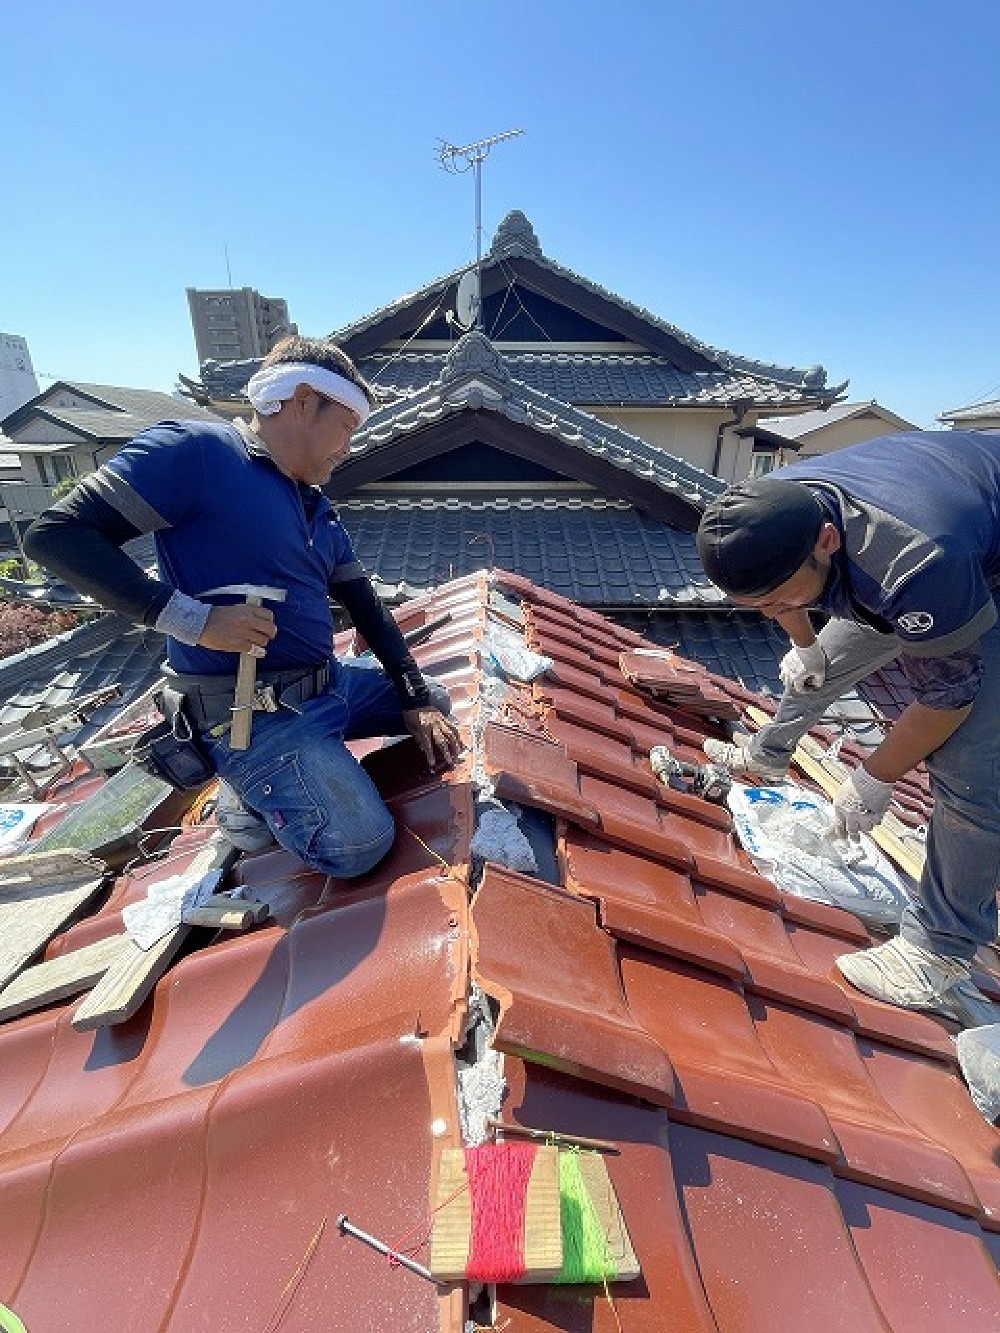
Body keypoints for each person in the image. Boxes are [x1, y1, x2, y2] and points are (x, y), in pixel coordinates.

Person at [25, 336, 462, 877]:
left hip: (327, 684)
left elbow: (364, 605)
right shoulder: (199, 453)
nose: (349, 447)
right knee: (357, 847)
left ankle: (301, 776)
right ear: (303, 401)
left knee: (437, 707)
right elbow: (56, 535)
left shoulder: (314, 503)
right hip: (253, 713)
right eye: (347, 426)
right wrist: (195, 621)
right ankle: (245, 796)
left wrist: (413, 695)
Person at [694, 430, 1000, 1027]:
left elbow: (947, 699)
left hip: (982, 566)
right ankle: (768, 756)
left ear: (828, 542)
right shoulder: (770, 512)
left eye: (779, 600)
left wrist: (873, 780)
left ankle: (939, 952)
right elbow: (784, 598)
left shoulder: (914, 563)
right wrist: (807, 648)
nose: (772, 614)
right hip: (933, 533)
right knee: (816, 670)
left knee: (969, 766)